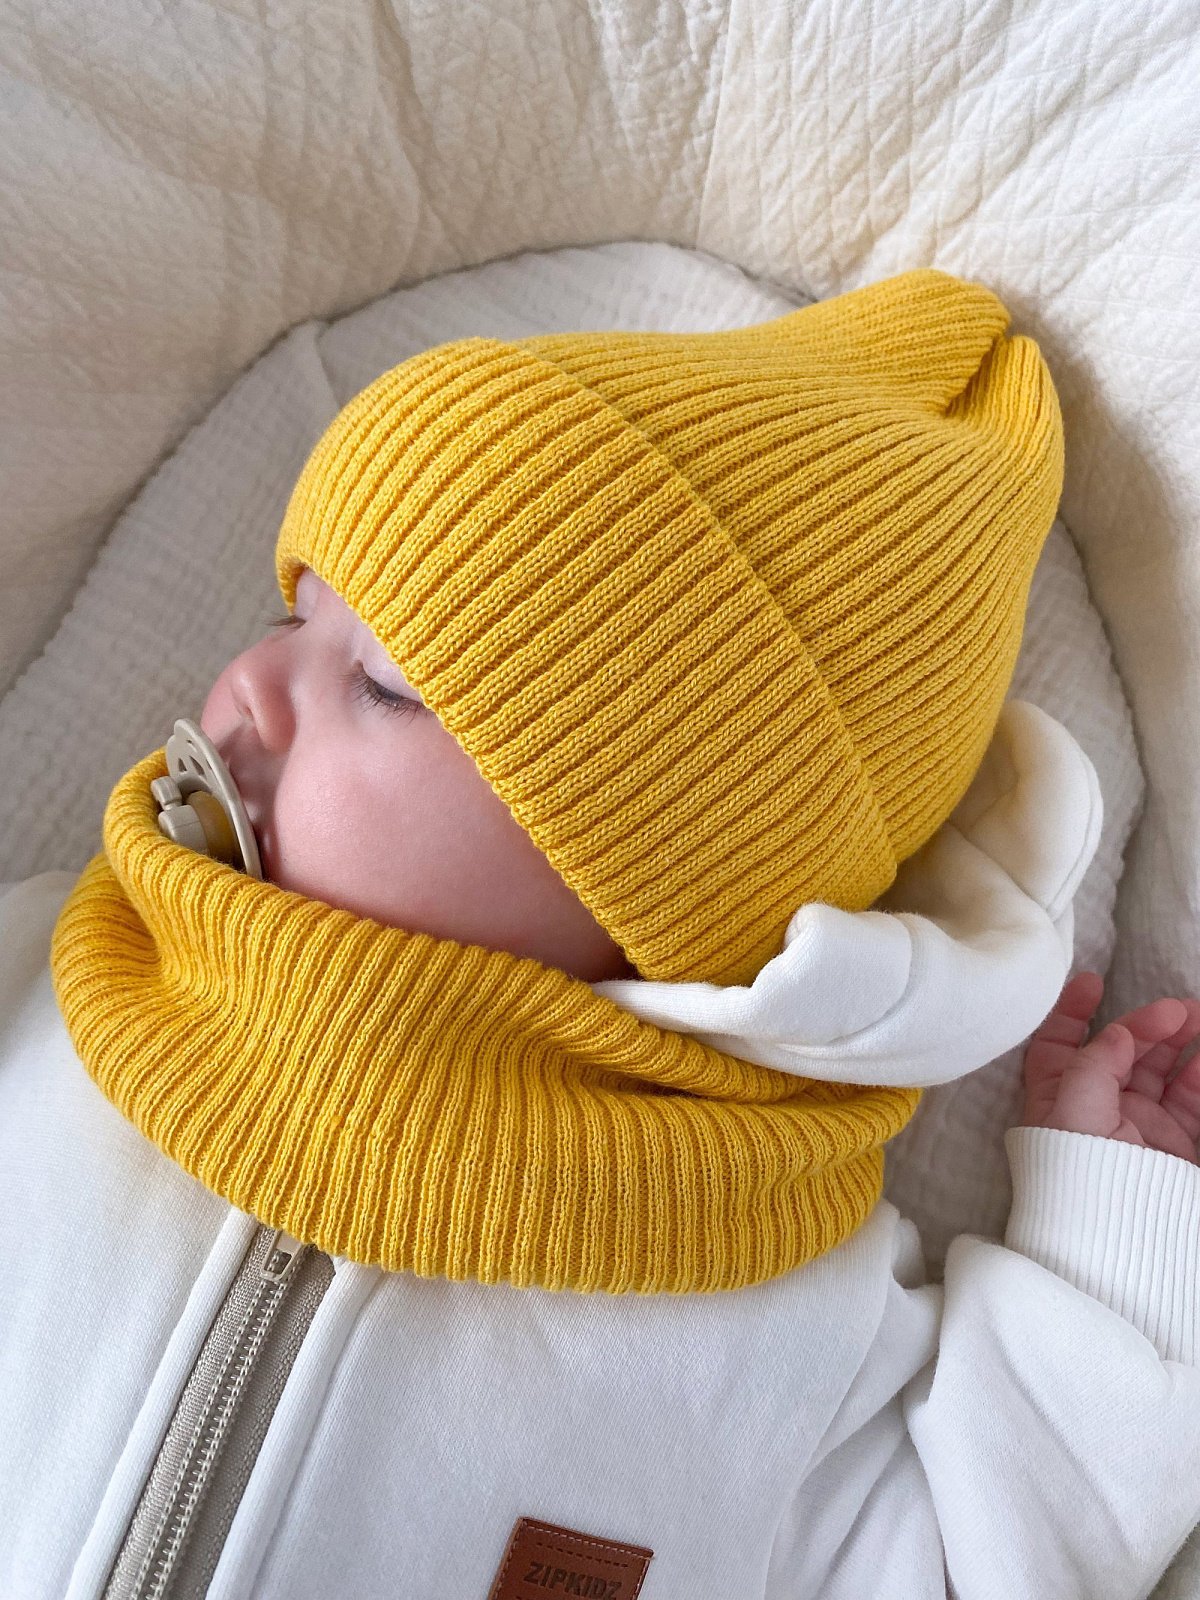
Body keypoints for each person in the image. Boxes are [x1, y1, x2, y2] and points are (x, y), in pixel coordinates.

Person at [3, 268, 1200, 1599]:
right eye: (292, 614)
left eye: (386, 685)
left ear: (658, 885)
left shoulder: (758, 1287)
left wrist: (1106, 1252)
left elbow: (992, 1564)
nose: (247, 683)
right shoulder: (51, 982)